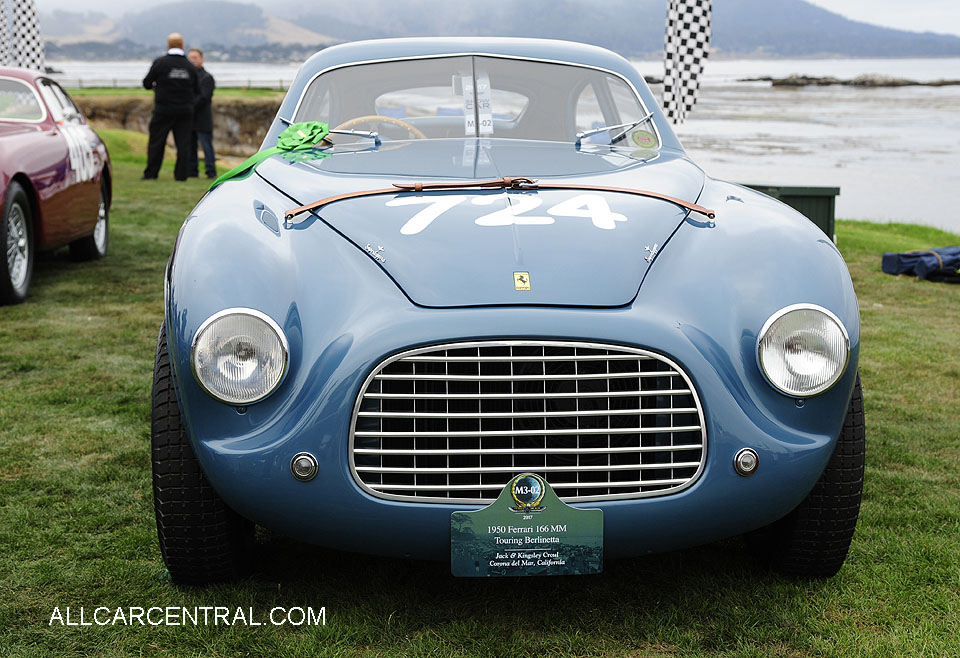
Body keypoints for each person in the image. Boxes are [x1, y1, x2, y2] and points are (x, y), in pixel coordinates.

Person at [141, 33, 199, 181]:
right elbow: (197, 90)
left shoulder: (160, 63)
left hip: (163, 109)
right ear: (182, 46)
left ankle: (151, 174)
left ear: (168, 45)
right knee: (183, 144)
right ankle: (181, 175)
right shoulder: (190, 67)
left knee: (157, 142)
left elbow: (147, 83)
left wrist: (157, 86)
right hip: (184, 111)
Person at [187, 48, 216, 179]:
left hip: (203, 118)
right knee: (190, 147)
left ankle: (210, 171)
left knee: (206, 146)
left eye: (195, 57)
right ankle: (192, 171)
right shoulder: (187, 76)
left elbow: (204, 97)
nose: (192, 60)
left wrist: (188, 105)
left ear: (201, 59)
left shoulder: (207, 77)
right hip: (190, 118)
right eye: (190, 58)